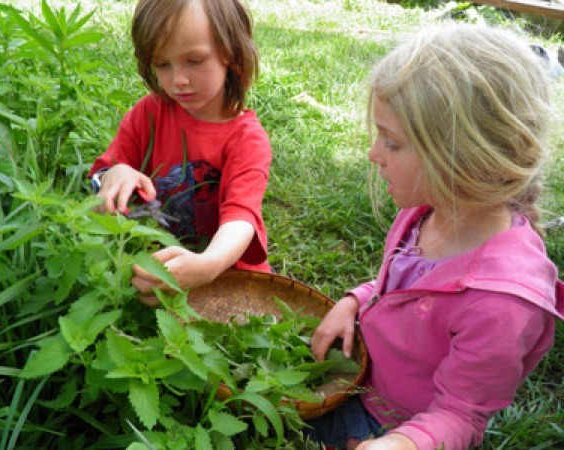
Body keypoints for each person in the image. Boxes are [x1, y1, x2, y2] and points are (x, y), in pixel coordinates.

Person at [308, 23, 564, 450]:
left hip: (399, 429)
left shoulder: (500, 304)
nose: (374, 155)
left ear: (463, 159)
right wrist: (355, 300)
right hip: (358, 379)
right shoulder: (427, 211)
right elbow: (402, 287)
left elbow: (461, 415)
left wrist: (400, 444)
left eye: (391, 142)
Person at [88, 0, 272, 303]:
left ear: (231, 53)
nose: (178, 80)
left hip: (226, 274)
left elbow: (242, 217)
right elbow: (101, 178)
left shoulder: (246, 140)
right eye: (163, 64)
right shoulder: (148, 114)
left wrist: (207, 265)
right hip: (154, 266)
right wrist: (114, 174)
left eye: (195, 61)